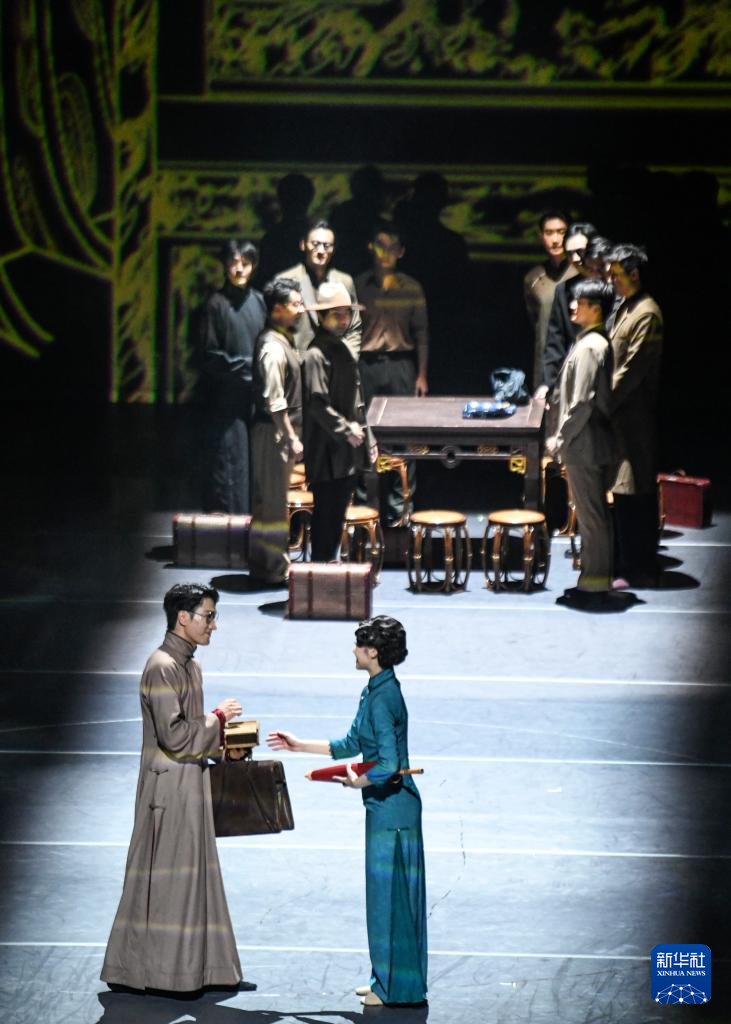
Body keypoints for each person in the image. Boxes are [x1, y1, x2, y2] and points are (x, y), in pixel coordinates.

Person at [267, 615, 427, 1007]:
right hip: (386, 807)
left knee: (390, 901)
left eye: (358, 644)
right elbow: (351, 743)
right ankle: (384, 978)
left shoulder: (383, 698)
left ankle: (395, 987)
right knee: (384, 899)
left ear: (372, 651)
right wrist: (299, 745)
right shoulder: (375, 689)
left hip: (393, 811)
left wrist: (359, 782)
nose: (353, 650)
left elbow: (388, 764)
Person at [101, 584, 250, 993]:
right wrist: (218, 718)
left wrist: (227, 747)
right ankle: (157, 975)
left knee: (197, 879)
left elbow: (192, 733)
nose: (213, 625)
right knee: (169, 883)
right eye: (208, 616)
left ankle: (208, 970)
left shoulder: (190, 666)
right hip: (167, 791)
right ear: (183, 617)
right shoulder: (162, 666)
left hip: (190, 784)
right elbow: (175, 736)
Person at [545, 280, 616, 608]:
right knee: (591, 516)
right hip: (587, 441)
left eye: (580, 302)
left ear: (596, 309)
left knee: (591, 517)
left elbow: (581, 403)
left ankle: (595, 586)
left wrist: (560, 438)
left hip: (584, 443)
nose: (573, 306)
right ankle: (592, 580)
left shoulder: (590, 346)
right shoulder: (591, 341)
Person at [355, 222, 428, 523]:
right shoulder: (358, 286)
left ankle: (401, 514)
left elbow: (421, 333)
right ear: (370, 248)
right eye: (380, 246)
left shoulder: (411, 288)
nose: (385, 253)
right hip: (367, 365)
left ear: (401, 251)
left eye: (392, 247)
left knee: (405, 440)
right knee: (364, 437)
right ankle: (365, 513)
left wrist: (421, 374)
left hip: (401, 366)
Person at [301, 281, 377, 561]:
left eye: (347, 313)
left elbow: (357, 399)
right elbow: (317, 405)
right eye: (336, 314)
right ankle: (318, 574)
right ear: (321, 317)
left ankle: (326, 572)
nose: (344, 319)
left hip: (345, 451)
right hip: (326, 451)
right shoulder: (315, 354)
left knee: (335, 519)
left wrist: (368, 438)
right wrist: (346, 431)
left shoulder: (341, 348)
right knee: (325, 519)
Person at [607, 244, 664, 588]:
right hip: (619, 417)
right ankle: (628, 564)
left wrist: (602, 401)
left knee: (635, 492)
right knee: (623, 492)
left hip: (633, 417)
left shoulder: (647, 313)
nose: (611, 281)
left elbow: (631, 371)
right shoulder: (627, 308)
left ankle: (639, 566)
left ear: (635, 274)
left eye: (616, 275)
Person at [198, 240, 266, 513]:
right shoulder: (215, 305)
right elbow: (211, 355)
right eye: (234, 263)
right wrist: (248, 368)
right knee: (232, 465)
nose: (239, 269)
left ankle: (254, 524)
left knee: (255, 463)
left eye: (245, 264)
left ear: (254, 266)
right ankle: (235, 527)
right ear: (225, 265)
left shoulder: (259, 301)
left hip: (256, 399)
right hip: (227, 401)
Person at [248, 278, 305, 584]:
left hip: (276, 433)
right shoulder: (272, 346)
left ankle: (265, 565)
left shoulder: (283, 340)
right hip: (273, 433)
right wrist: (291, 436)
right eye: (295, 304)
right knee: (271, 504)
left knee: (270, 502)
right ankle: (272, 569)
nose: (301, 309)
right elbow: (275, 399)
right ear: (278, 309)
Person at [277, 219, 362, 360]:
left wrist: (348, 359)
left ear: (333, 249)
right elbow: (276, 331)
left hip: (336, 365)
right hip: (299, 365)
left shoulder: (344, 281)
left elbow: (354, 327)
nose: (321, 251)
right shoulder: (285, 281)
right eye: (315, 244)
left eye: (327, 246)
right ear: (303, 244)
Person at [523, 210, 575, 390]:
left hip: (576, 359)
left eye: (561, 232)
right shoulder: (533, 278)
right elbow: (534, 321)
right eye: (549, 233)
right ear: (541, 236)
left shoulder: (581, 274)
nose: (555, 239)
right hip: (545, 363)